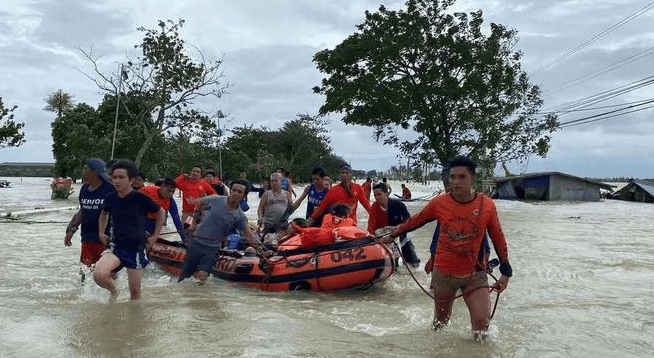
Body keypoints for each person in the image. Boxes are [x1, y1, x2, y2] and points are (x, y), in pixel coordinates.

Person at [380, 156, 511, 340]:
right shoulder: (439, 203)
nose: (455, 182)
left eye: (461, 177)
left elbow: (498, 236)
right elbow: (415, 221)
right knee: (440, 324)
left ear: (472, 178)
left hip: (475, 274)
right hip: (444, 275)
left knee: (482, 327)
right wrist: (392, 235)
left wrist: (506, 271)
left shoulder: (486, 205)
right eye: (452, 177)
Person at [93, 161, 166, 302]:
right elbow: (103, 214)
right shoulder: (110, 198)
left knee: (135, 293)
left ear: (131, 180)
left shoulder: (141, 198)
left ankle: (134, 320)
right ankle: (114, 292)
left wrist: (155, 236)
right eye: (114, 177)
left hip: (136, 249)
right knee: (99, 275)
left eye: (121, 177)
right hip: (115, 246)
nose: (117, 181)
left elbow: (161, 212)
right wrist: (101, 232)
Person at [179, 180, 264, 284]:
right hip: (197, 243)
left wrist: (261, 251)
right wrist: (194, 224)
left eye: (239, 192)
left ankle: (199, 298)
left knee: (202, 276)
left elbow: (248, 235)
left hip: (212, 249)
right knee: (185, 276)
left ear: (244, 196)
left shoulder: (240, 216)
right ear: (230, 191)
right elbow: (199, 204)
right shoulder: (214, 200)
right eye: (234, 190)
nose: (236, 194)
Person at [64, 158, 115, 277]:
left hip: (106, 239)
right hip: (87, 238)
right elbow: (82, 210)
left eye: (86, 168)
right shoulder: (84, 189)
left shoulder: (110, 189)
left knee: (107, 273)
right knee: (85, 272)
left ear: (95, 173)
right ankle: (83, 295)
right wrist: (71, 230)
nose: (83, 171)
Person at [368, 183, 420, 267]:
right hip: (382, 235)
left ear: (386, 194)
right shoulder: (374, 207)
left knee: (414, 263)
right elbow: (371, 226)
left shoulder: (398, 204)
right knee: (392, 265)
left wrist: (398, 228)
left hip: (399, 232)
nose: (377, 197)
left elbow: (409, 221)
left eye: (379, 194)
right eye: (375, 195)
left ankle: (411, 260)